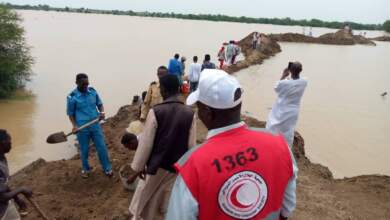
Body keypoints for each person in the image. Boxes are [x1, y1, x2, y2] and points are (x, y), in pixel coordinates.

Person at [166, 69, 297, 220]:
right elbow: (287, 208)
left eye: (199, 107)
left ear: (208, 112)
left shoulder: (193, 165)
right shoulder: (279, 144)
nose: (199, 113)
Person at [129, 74, 196, 220]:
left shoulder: (156, 112)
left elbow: (146, 144)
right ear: (179, 89)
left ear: (163, 90)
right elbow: (191, 145)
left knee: (145, 198)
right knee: (168, 197)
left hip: (157, 166)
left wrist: (139, 167)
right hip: (177, 167)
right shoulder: (190, 113)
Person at [67, 73, 113, 178]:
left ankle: (107, 168)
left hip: (95, 125)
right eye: (83, 84)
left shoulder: (92, 92)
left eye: (87, 84)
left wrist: (102, 113)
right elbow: (70, 114)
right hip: (82, 128)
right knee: (84, 150)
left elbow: (100, 104)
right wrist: (74, 126)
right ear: (76, 83)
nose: (85, 86)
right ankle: (86, 169)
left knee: (101, 147)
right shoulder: (72, 97)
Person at [266, 62, 307, 148]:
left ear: (290, 70)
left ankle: (271, 143)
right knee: (289, 129)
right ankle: (287, 147)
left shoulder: (285, 83)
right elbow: (295, 81)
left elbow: (276, 88)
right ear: (301, 71)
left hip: (282, 108)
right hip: (294, 110)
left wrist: (283, 75)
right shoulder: (304, 82)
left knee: (274, 125)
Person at [0, 129, 33, 220]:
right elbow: (1, 197)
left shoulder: (2, 158)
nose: (11, 144)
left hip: (5, 206)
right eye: (9, 141)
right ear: (2, 143)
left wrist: (16, 199)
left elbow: (4, 185)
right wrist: (21, 189)